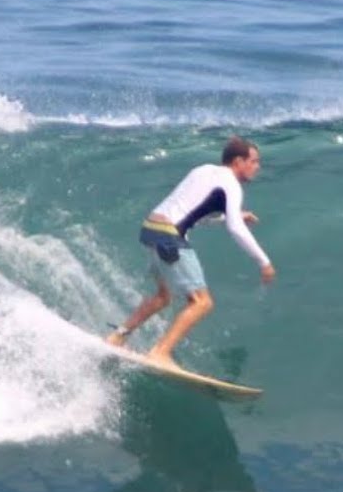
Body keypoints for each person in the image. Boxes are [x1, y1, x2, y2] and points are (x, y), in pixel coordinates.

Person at [105, 135, 276, 367]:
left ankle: (117, 337)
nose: (257, 167)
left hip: (150, 229)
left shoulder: (203, 170)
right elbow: (236, 229)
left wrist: (228, 217)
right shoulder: (232, 185)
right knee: (202, 302)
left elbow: (192, 213)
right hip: (169, 236)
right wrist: (263, 262)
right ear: (238, 161)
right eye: (254, 161)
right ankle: (160, 353)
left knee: (162, 297)